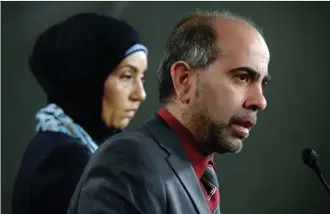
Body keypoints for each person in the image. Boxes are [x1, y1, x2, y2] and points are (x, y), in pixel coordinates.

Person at [67, 10, 270, 214]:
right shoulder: (128, 160)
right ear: (184, 81)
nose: (260, 101)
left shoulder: (199, 170)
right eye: (242, 77)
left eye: (263, 83)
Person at [12, 13, 148, 214]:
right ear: (87, 79)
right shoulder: (64, 161)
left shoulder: (81, 146)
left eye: (142, 77)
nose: (140, 94)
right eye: (127, 76)